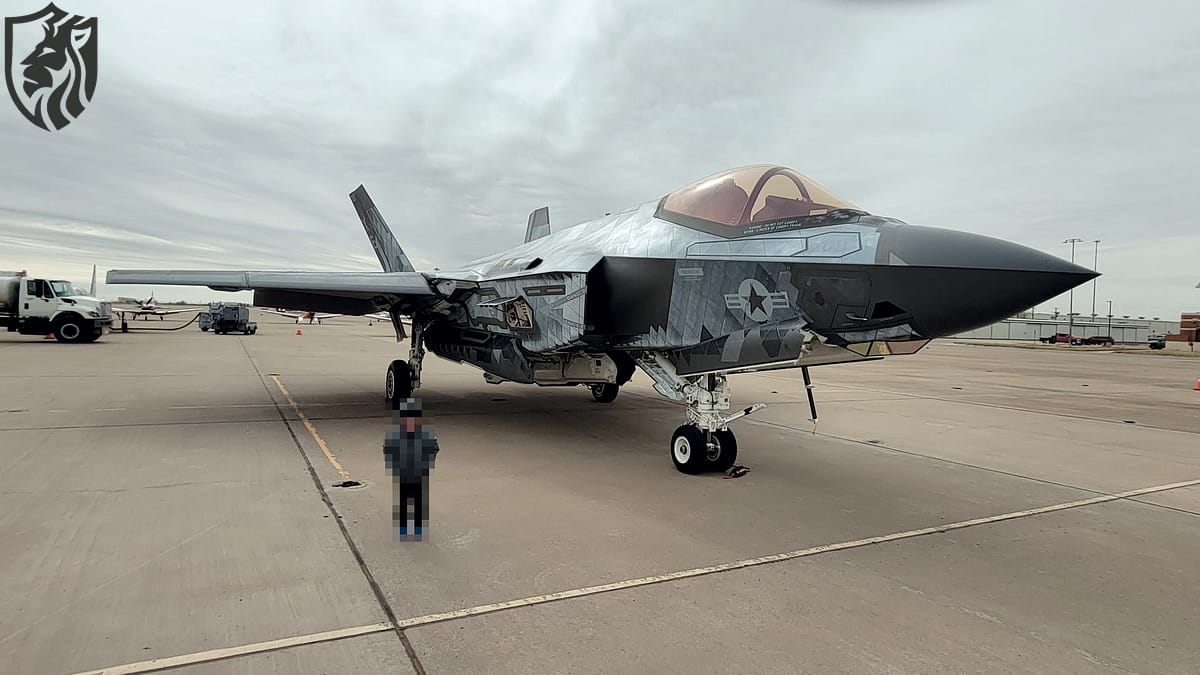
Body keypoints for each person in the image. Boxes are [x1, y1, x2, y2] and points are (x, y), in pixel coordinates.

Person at [383, 398, 439, 541]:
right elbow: (388, 449)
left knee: (418, 500)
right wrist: (395, 464)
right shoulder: (396, 434)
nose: (410, 422)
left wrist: (427, 463)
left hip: (419, 472)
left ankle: (417, 527)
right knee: (403, 500)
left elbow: (434, 448)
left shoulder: (425, 434)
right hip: (404, 471)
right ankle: (403, 527)